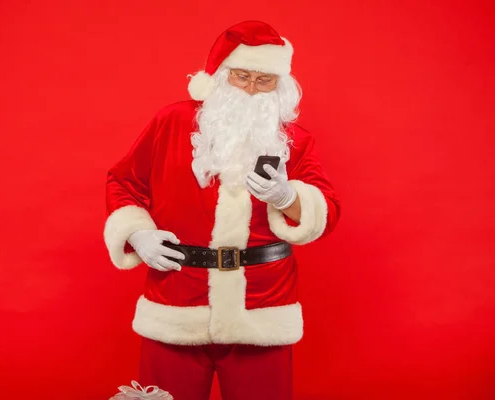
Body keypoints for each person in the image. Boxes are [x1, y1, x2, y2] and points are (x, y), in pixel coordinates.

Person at [103, 20, 341, 400]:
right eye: (241, 77)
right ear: (220, 77)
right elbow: (122, 182)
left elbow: (327, 210)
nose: (250, 89)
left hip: (262, 306)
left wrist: (287, 197)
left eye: (263, 80)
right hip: (177, 296)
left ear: (279, 86)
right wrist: (137, 233)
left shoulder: (295, 141)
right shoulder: (173, 121)